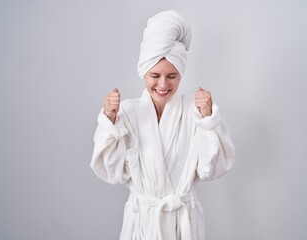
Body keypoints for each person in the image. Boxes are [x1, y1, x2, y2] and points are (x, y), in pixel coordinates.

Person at [90, 10, 235, 240]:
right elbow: (111, 172)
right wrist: (109, 120)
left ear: (181, 75)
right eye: (154, 75)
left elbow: (211, 170)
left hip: (183, 225)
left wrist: (208, 120)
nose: (162, 84)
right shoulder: (127, 112)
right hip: (143, 224)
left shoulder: (194, 111)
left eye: (172, 76)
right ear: (143, 72)